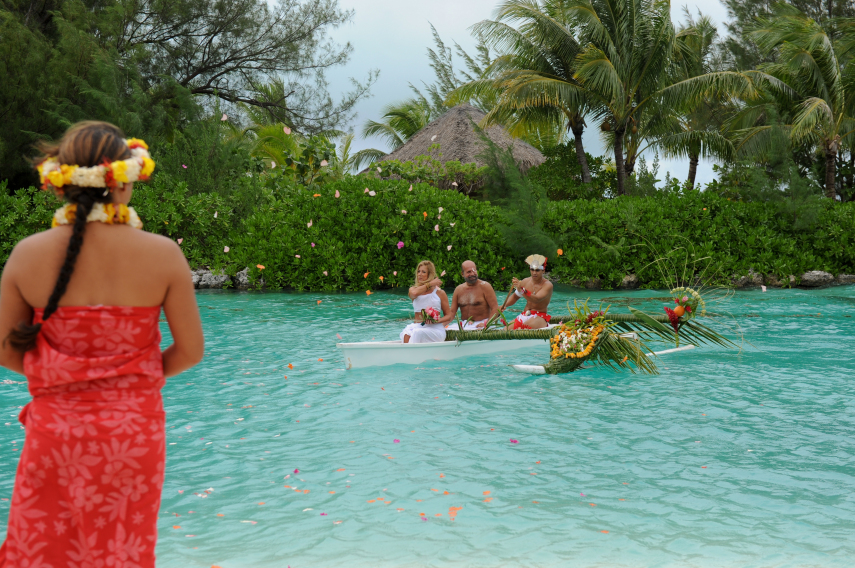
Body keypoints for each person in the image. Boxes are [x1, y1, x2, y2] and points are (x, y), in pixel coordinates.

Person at [0, 121, 204, 568]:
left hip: (55, 434)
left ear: (60, 184)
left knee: (44, 550)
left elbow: (6, 351)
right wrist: (131, 381)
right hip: (133, 437)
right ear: (125, 180)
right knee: (122, 551)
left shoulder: (26, 255)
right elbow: (190, 351)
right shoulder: (164, 254)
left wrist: (63, 381)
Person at [500, 254, 554, 330]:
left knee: (525, 327)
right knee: (505, 330)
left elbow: (536, 299)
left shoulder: (548, 285)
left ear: (543, 271)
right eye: (532, 270)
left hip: (540, 316)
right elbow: (515, 297)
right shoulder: (525, 281)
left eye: (537, 270)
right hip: (525, 315)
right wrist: (503, 306)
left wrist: (521, 290)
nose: (534, 273)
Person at [401, 260, 450, 343]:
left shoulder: (440, 293)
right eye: (418, 271)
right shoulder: (413, 290)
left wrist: (437, 321)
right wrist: (430, 284)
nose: (420, 274)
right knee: (406, 334)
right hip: (417, 326)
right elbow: (414, 293)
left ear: (429, 274)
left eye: (423, 272)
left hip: (435, 329)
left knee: (418, 333)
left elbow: (449, 315)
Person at [441, 260, 498, 329]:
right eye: (469, 272)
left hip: (482, 323)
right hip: (465, 324)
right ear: (462, 274)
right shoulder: (458, 290)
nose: (472, 274)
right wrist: (441, 325)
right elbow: (452, 313)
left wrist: (487, 323)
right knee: (443, 330)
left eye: (474, 270)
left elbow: (495, 308)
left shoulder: (485, 286)